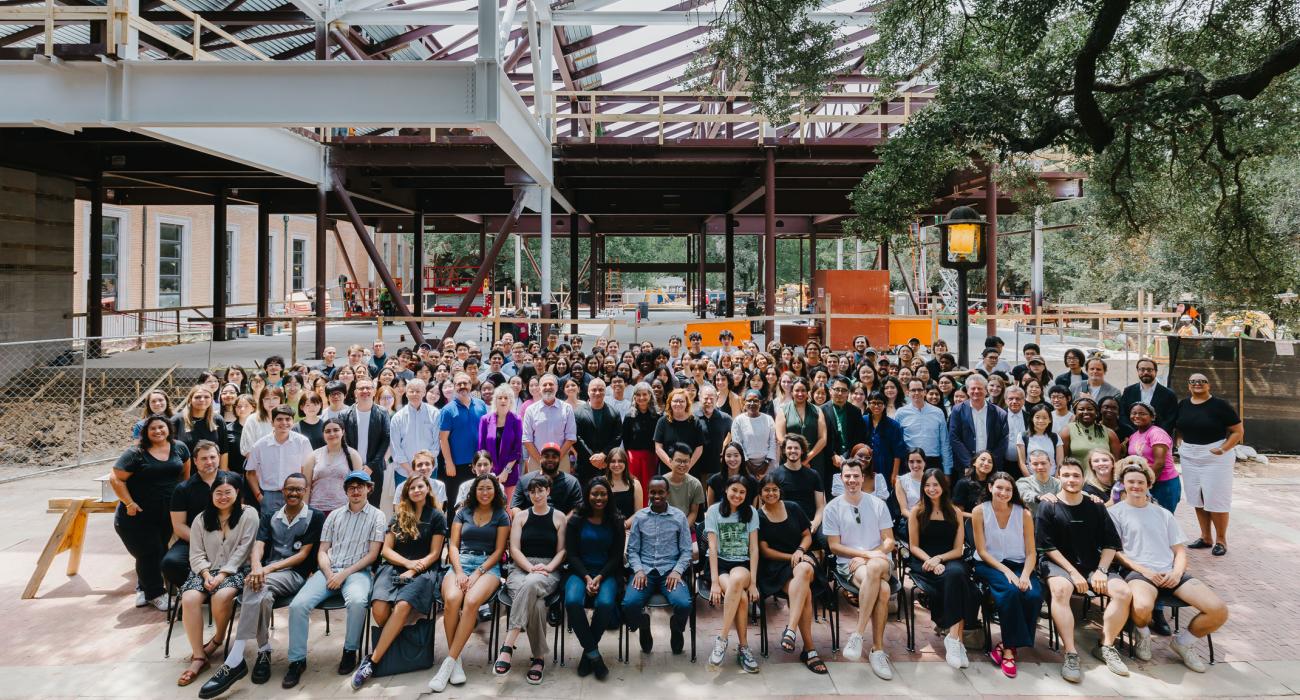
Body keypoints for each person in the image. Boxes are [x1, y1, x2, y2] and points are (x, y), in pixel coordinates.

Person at [200, 473, 322, 697]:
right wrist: (256, 567)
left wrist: (265, 570)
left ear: (305, 491)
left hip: (294, 575)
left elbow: (302, 555)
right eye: (289, 489)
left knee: (253, 584)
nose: (293, 493)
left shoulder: (315, 517)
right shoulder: (270, 515)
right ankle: (263, 652)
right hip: (266, 577)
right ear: (282, 490)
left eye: (298, 489)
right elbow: (259, 546)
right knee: (260, 593)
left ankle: (235, 661)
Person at [1111, 461, 1229, 672]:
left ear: (1149, 484)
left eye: (1140, 482)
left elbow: (1180, 551)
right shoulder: (1116, 513)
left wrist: (1177, 572)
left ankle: (1183, 643)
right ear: (1123, 484)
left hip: (1170, 571)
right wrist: (1144, 570)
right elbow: (1117, 552)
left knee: (1218, 610)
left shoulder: (1163, 513)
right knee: (1141, 607)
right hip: (1140, 572)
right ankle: (1143, 633)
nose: (1136, 486)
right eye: (1130, 482)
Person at [284, 471, 386, 687]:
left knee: (358, 602)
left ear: (369, 488)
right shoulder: (334, 515)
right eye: (351, 487)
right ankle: (297, 660)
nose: (356, 491)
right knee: (297, 606)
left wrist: (343, 574)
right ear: (346, 491)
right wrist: (330, 573)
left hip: (358, 572)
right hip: (329, 571)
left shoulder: (378, 516)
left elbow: (372, 555)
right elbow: (322, 551)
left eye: (360, 486)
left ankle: (350, 650)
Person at [1036, 459, 1131, 682]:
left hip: (1092, 565)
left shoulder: (1096, 506)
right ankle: (1071, 653)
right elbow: (1047, 547)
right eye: (1066, 475)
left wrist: (1101, 570)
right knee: (1060, 590)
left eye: (1076, 475)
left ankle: (1106, 646)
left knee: (1123, 593)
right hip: (1058, 564)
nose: (1071, 480)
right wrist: (1073, 573)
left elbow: (1110, 544)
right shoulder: (1048, 505)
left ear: (1083, 478)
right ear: (1058, 477)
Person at [429, 474, 511, 692]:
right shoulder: (462, 513)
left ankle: (447, 664)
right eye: (481, 488)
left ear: (496, 492)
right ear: (474, 491)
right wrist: (458, 571)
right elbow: (453, 546)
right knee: (453, 599)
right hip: (460, 562)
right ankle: (456, 662)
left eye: (489, 489)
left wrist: (477, 573)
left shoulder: (502, 516)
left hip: (487, 566)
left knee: (472, 601)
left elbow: (499, 550)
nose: (485, 492)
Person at [176, 471, 258, 687]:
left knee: (221, 597)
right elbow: (196, 553)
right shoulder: (201, 519)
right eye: (218, 492)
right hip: (204, 571)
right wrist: (205, 574)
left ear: (237, 492)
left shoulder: (249, 515)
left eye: (228, 492)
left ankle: (217, 639)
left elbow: (244, 549)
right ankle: (199, 657)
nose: (223, 497)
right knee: (190, 598)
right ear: (211, 494)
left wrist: (222, 575)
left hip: (236, 570)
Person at [823, 460, 896, 680]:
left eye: (856, 476)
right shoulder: (832, 507)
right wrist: (864, 556)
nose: (852, 480)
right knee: (882, 591)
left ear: (863, 478)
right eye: (847, 476)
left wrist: (869, 554)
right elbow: (834, 546)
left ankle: (857, 634)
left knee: (875, 567)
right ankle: (878, 650)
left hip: (880, 560)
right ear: (841, 478)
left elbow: (889, 541)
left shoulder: (877, 504)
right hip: (850, 564)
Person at [110, 413, 189, 611]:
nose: (157, 431)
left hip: (165, 513)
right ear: (145, 431)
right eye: (152, 428)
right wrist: (129, 503)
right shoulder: (135, 453)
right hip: (137, 515)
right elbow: (116, 479)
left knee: (157, 551)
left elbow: (185, 476)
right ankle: (156, 594)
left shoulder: (179, 447)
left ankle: (145, 590)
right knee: (149, 553)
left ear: (169, 429)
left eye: (161, 427)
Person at [496, 475, 567, 685]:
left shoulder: (559, 517)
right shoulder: (520, 517)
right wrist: (529, 567)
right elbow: (514, 549)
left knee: (532, 584)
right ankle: (539, 658)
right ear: (528, 494)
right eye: (532, 491)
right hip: (520, 567)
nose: (536, 495)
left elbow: (562, 551)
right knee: (536, 603)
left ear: (548, 492)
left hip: (548, 568)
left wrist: (548, 567)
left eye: (541, 490)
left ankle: (508, 644)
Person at [970, 471, 1042, 679]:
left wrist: (1026, 575)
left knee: (1033, 594)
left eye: (1008, 489)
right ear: (990, 488)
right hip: (989, 563)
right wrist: (1007, 572)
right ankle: (1010, 651)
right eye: (999, 488)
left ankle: (1004, 644)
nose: (1003, 492)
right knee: (1010, 592)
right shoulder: (979, 511)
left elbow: (1030, 552)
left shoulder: (1024, 514)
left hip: (1020, 563)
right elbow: (982, 551)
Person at [755, 474, 826, 674]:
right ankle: (810, 650)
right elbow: (765, 550)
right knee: (805, 594)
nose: (771, 493)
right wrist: (791, 557)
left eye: (774, 489)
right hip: (776, 567)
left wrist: (800, 552)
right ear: (760, 493)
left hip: (802, 558)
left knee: (803, 570)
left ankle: (791, 629)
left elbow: (807, 535)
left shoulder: (793, 507)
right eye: (766, 490)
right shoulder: (758, 516)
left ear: (780, 491)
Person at [906, 468, 976, 669]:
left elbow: (958, 549)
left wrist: (939, 559)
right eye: (927, 485)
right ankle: (957, 641)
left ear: (943, 487)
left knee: (958, 573)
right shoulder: (917, 511)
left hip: (948, 558)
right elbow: (914, 546)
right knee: (958, 578)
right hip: (923, 560)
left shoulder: (954, 511)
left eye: (935, 484)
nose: (931, 489)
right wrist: (930, 560)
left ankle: (953, 638)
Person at [623, 475, 693, 655]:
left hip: (670, 572)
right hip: (644, 572)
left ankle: (676, 629)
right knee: (629, 604)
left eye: (660, 492)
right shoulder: (640, 517)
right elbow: (632, 550)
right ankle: (644, 626)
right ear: (648, 494)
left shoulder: (679, 517)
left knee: (684, 604)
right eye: (652, 492)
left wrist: (677, 571)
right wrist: (638, 570)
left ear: (667, 493)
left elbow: (686, 551)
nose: (656, 496)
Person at [1175, 373, 1244, 556]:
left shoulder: (1220, 405)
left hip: (1215, 456)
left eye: (1202, 381)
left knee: (1216, 498)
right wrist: (1179, 441)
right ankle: (1206, 537)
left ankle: (1221, 540)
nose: (1197, 384)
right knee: (1197, 497)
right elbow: (1180, 426)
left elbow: (1237, 431)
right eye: (1193, 381)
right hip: (1190, 456)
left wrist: (1223, 449)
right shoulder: (1183, 404)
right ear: (1188, 385)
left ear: (1209, 385)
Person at [565, 476, 625, 679]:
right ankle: (594, 655)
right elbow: (571, 554)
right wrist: (586, 577)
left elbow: (617, 556)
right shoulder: (575, 519)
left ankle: (586, 655)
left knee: (606, 604)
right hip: (579, 571)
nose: (599, 498)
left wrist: (598, 577)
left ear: (609, 495)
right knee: (572, 601)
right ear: (587, 495)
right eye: (594, 494)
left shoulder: (616, 520)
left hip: (606, 572)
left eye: (603, 494)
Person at [704, 475, 761, 673]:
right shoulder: (713, 511)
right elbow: (712, 547)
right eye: (734, 490)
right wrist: (714, 582)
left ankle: (722, 639)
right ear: (726, 490)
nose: (738, 495)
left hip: (742, 565)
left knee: (738, 581)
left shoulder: (751, 512)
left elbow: (754, 549)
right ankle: (744, 648)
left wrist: (753, 582)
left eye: (742, 492)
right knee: (742, 598)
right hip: (719, 565)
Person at [164, 440, 222, 590]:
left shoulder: (232, 482)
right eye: (203, 458)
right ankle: (197, 589)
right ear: (195, 461)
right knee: (171, 563)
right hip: (194, 539)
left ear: (219, 458)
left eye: (212, 457)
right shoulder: (183, 489)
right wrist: (203, 541)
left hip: (228, 538)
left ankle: (226, 591)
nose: (209, 462)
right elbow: (178, 526)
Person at [245, 405, 313, 517]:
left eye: (288, 419)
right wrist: (259, 496)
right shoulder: (260, 445)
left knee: (296, 530)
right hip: (270, 496)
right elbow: (250, 472)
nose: (284, 422)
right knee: (270, 531)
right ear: (272, 423)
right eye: (279, 419)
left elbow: (307, 470)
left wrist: (304, 496)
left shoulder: (302, 442)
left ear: (293, 421)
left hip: (296, 494)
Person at [440, 372, 490, 506]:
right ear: (455, 386)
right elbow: (443, 439)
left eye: (466, 383)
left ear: (471, 385)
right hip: (457, 465)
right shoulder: (447, 410)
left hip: (479, 463)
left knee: (478, 501)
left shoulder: (481, 405)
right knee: (455, 501)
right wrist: (449, 463)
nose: (463, 386)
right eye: (459, 384)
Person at [340, 378, 391, 508]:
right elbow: (343, 441)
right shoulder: (345, 414)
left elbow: (386, 439)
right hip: (350, 467)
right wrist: (355, 464)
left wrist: (371, 466)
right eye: (361, 388)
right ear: (355, 392)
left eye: (368, 388)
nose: (365, 391)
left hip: (374, 469)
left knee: (373, 505)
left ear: (374, 391)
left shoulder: (382, 412)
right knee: (350, 505)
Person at [301, 417, 363, 515]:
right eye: (328, 431)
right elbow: (306, 486)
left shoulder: (353, 455)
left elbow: (360, 486)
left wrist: (358, 510)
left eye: (336, 430)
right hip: (316, 510)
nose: (332, 434)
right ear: (323, 434)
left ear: (342, 431)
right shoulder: (314, 455)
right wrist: (303, 510)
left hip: (344, 510)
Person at [948, 374, 1010, 472]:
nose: (976, 391)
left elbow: (1003, 441)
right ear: (968, 391)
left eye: (980, 388)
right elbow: (954, 438)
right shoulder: (958, 410)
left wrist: (989, 462)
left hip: (991, 467)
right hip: (966, 467)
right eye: (973, 388)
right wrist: (970, 463)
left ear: (986, 391)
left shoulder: (999, 413)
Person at [390, 378, 440, 495]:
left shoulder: (434, 413)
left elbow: (436, 444)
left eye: (418, 391)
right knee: (405, 507)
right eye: (411, 391)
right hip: (404, 472)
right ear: (406, 393)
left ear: (424, 393)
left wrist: (425, 467)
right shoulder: (398, 417)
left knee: (429, 505)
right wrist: (411, 470)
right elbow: (396, 448)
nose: (414, 394)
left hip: (429, 471)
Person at [1128, 402, 1180, 513]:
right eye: (1134, 413)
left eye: (1142, 413)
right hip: (1145, 482)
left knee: (1162, 519)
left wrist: (1146, 484)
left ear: (1152, 417)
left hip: (1163, 484)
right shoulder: (1134, 435)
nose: (1137, 416)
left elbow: (1160, 463)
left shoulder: (1157, 433)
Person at [522, 373, 577, 474]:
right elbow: (527, 439)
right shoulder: (530, 410)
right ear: (539, 388)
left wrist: (556, 459)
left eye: (551, 384)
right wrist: (541, 461)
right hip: (536, 461)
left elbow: (570, 437)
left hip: (561, 460)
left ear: (556, 387)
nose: (548, 387)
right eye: (544, 385)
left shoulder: (567, 408)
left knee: (560, 490)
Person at [895, 378, 953, 474]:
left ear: (925, 392)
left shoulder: (938, 412)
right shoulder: (900, 413)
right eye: (913, 390)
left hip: (933, 461)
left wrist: (947, 471)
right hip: (910, 462)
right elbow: (896, 442)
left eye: (920, 390)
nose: (917, 393)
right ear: (907, 392)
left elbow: (945, 442)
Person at [772, 434, 826, 536]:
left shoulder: (813, 475)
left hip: (811, 522)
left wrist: (815, 523)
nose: (793, 450)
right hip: (786, 524)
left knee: (826, 540)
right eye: (789, 448)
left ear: (802, 451)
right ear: (784, 450)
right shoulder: (775, 475)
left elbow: (820, 506)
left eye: (796, 448)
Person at [775, 378, 828, 481]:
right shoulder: (783, 410)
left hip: (814, 461)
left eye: (803, 390)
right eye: (797, 390)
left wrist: (806, 459)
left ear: (808, 392)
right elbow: (781, 438)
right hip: (790, 460)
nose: (800, 393)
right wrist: (797, 459)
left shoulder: (817, 411)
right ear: (791, 392)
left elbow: (823, 439)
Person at [479, 384, 524, 502]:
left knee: (508, 510)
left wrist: (505, 472)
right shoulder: (485, 420)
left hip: (509, 473)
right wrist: (488, 471)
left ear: (511, 401)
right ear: (495, 400)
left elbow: (517, 450)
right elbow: (481, 449)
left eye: (506, 398)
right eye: (500, 398)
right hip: (489, 473)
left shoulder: (516, 420)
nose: (503, 400)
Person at [512, 442, 584, 514]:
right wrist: (521, 521)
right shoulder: (524, 480)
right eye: (546, 456)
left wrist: (562, 522)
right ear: (540, 458)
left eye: (554, 457)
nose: (550, 459)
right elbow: (516, 507)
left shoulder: (571, 482)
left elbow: (576, 508)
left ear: (559, 459)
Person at [574, 378, 622, 484]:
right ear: (588, 391)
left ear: (605, 391)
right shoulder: (578, 413)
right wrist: (593, 458)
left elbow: (617, 437)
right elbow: (577, 438)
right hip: (584, 465)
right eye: (594, 390)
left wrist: (603, 455)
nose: (597, 393)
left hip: (606, 465)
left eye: (601, 390)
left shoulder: (614, 413)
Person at [172, 385, 228, 470]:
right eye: (198, 397)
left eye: (206, 397)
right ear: (190, 399)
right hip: (186, 474)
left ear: (211, 399)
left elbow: (224, 451)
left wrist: (223, 476)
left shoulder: (218, 420)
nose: (202, 400)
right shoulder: (177, 420)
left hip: (212, 473)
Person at [1120, 358, 1179, 434]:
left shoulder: (1169, 394)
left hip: (1158, 439)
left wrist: (1154, 435)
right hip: (1133, 438)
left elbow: (1170, 420)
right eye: (1142, 369)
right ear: (1138, 371)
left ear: (1156, 372)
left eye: (1149, 370)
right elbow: (1123, 414)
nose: (1145, 372)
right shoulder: (1128, 391)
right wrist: (1134, 434)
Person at [622, 382, 660, 488]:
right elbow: (625, 440)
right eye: (638, 395)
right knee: (635, 486)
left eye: (644, 394)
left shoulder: (657, 416)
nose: (641, 397)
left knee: (650, 486)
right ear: (634, 397)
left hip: (652, 457)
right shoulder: (629, 416)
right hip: (633, 458)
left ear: (650, 396)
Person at [1061, 397, 1121, 463]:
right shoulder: (1067, 431)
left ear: (1096, 412)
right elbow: (1062, 460)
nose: (1086, 412)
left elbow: (1116, 461)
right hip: (1077, 472)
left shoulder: (1109, 433)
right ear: (1075, 412)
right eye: (1081, 409)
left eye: (1090, 409)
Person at [732, 389, 779, 473]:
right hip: (745, 464)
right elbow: (737, 444)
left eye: (755, 401)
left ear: (760, 403)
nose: (752, 403)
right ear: (744, 402)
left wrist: (766, 463)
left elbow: (773, 442)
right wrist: (747, 463)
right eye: (749, 401)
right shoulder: (738, 420)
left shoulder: (768, 419)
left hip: (767, 463)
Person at [695, 384, 733, 481]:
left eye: (712, 398)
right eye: (706, 398)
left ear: (717, 398)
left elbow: (736, 434)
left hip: (718, 469)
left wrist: (726, 448)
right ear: (700, 398)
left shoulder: (725, 418)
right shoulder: (692, 418)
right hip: (697, 468)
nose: (709, 401)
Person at [1018, 405, 1062, 477]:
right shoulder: (1023, 436)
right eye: (1037, 417)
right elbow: (1021, 463)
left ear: (1050, 420)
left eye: (1045, 418)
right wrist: (1031, 481)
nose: (1041, 421)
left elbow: (1060, 462)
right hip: (1031, 480)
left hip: (1052, 479)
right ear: (1032, 418)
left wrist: (1056, 480)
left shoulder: (1055, 437)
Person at [1015, 450, 1061, 516]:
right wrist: (1039, 497)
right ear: (1029, 466)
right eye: (1035, 464)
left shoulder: (1059, 483)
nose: (1040, 467)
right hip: (1032, 522)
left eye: (1043, 463)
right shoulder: (1023, 482)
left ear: (1050, 464)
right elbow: (1024, 493)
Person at [953, 450, 996, 516]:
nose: (986, 463)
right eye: (983, 459)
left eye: (990, 462)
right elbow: (957, 512)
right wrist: (977, 518)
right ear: (974, 462)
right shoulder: (963, 483)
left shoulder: (995, 484)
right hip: (969, 523)